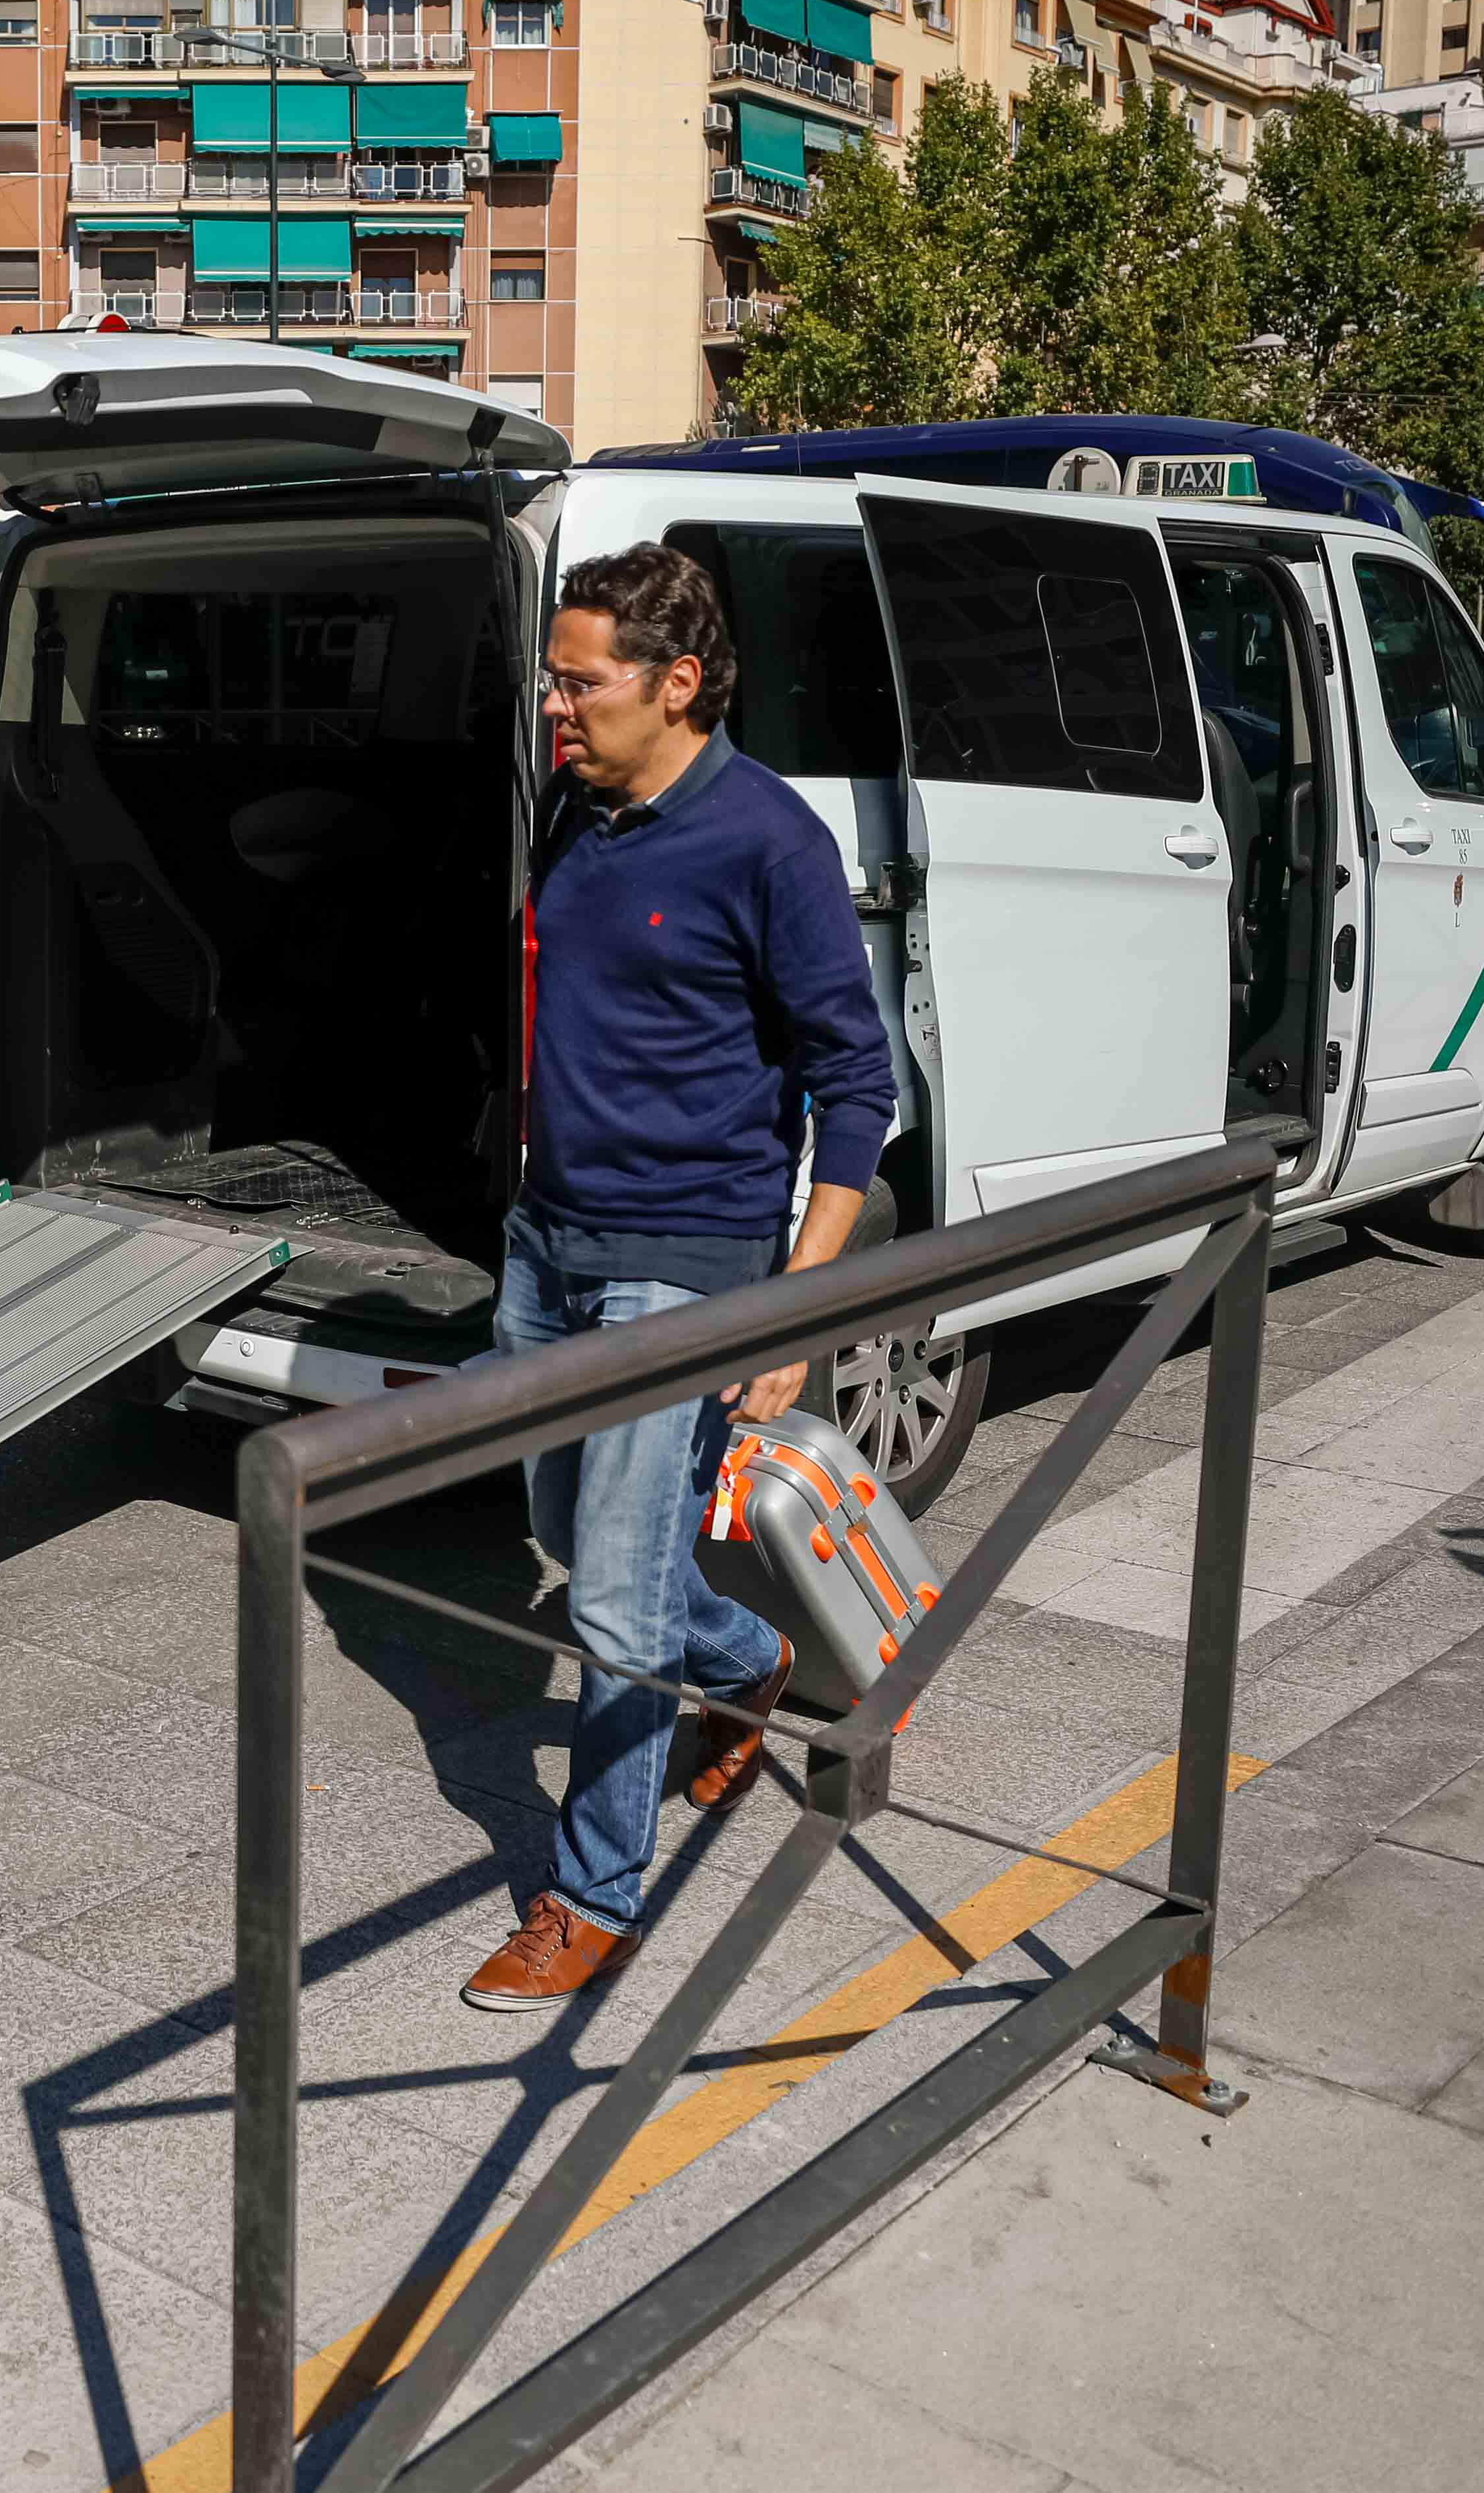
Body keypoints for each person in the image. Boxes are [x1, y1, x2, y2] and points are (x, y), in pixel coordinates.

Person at [461, 545, 897, 2017]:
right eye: (552, 676)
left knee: (616, 1614)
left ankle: (590, 1900)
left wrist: (794, 1300)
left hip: (685, 1263)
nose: (551, 704)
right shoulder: (576, 820)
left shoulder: (764, 839)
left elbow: (855, 1081)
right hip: (548, 1242)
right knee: (570, 1538)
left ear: (677, 681)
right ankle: (754, 1655)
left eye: (577, 680)